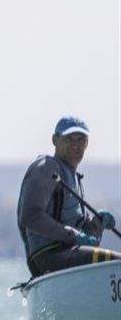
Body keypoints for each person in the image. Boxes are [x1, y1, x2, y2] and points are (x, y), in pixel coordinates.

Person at [16, 116, 119, 277]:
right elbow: (30, 216)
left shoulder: (75, 178)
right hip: (48, 256)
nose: (75, 145)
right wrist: (74, 235)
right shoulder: (47, 167)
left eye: (81, 140)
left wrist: (95, 225)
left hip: (68, 254)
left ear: (86, 144)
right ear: (55, 140)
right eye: (69, 139)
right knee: (117, 263)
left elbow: (81, 232)